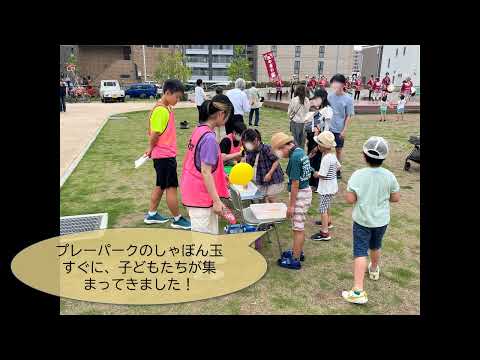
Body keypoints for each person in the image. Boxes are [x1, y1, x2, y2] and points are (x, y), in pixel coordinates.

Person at [342, 136, 400, 304]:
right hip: (381, 221)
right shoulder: (389, 176)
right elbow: (395, 198)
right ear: (384, 157)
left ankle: (358, 291)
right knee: (376, 245)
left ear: (364, 155)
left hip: (362, 221)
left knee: (360, 252)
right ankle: (374, 270)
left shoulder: (358, 175)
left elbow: (350, 199)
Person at [180, 95, 232, 234]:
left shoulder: (199, 129)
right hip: (199, 196)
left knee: (209, 236)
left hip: (194, 190)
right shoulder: (209, 138)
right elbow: (205, 171)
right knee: (203, 242)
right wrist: (216, 201)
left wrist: (221, 177)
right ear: (221, 114)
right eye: (227, 116)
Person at [143, 79, 191, 230]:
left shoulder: (166, 107)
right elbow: (155, 133)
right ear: (167, 93)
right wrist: (150, 148)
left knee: (161, 185)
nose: (178, 100)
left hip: (163, 155)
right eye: (177, 97)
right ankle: (177, 219)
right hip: (164, 156)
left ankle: (151, 214)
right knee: (171, 188)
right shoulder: (161, 110)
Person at [272, 132, 312, 270]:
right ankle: (297, 251)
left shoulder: (294, 158)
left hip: (300, 194)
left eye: (279, 151)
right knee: (298, 226)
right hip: (305, 192)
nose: (280, 155)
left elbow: (295, 183)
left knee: (298, 228)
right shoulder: (300, 151)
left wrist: (291, 206)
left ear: (284, 146)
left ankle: (295, 259)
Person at [311, 131, 341, 241]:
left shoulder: (325, 159)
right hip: (332, 186)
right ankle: (328, 222)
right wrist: (330, 173)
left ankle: (324, 232)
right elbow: (338, 167)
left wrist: (316, 174)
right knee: (327, 205)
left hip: (326, 188)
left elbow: (322, 175)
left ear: (322, 146)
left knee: (322, 209)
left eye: (318, 144)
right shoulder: (332, 156)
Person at [242, 129, 284, 203]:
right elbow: (248, 166)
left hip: (273, 177)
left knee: (271, 197)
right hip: (261, 178)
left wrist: (270, 173)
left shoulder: (266, 148)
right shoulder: (249, 151)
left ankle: (275, 213)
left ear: (255, 140)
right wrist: (245, 180)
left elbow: (276, 160)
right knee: (262, 198)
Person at [327, 74, 354, 179]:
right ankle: (327, 168)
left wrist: (344, 130)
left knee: (338, 150)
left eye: (336, 83)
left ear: (343, 84)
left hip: (339, 129)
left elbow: (348, 115)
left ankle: (338, 170)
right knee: (326, 149)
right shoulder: (330, 96)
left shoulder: (348, 99)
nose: (334, 85)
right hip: (328, 128)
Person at [304, 88, 331, 189]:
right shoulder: (319, 109)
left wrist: (320, 142)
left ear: (323, 98)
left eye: (317, 98)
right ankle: (311, 182)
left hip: (320, 139)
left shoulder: (327, 110)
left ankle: (315, 184)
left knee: (316, 160)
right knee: (311, 159)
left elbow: (326, 127)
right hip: (313, 138)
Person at [288, 84, 310, 149]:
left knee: (295, 141)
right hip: (304, 122)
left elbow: (289, 112)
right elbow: (307, 111)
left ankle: (295, 154)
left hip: (295, 122)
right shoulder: (307, 100)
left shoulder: (294, 100)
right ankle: (301, 155)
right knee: (302, 142)